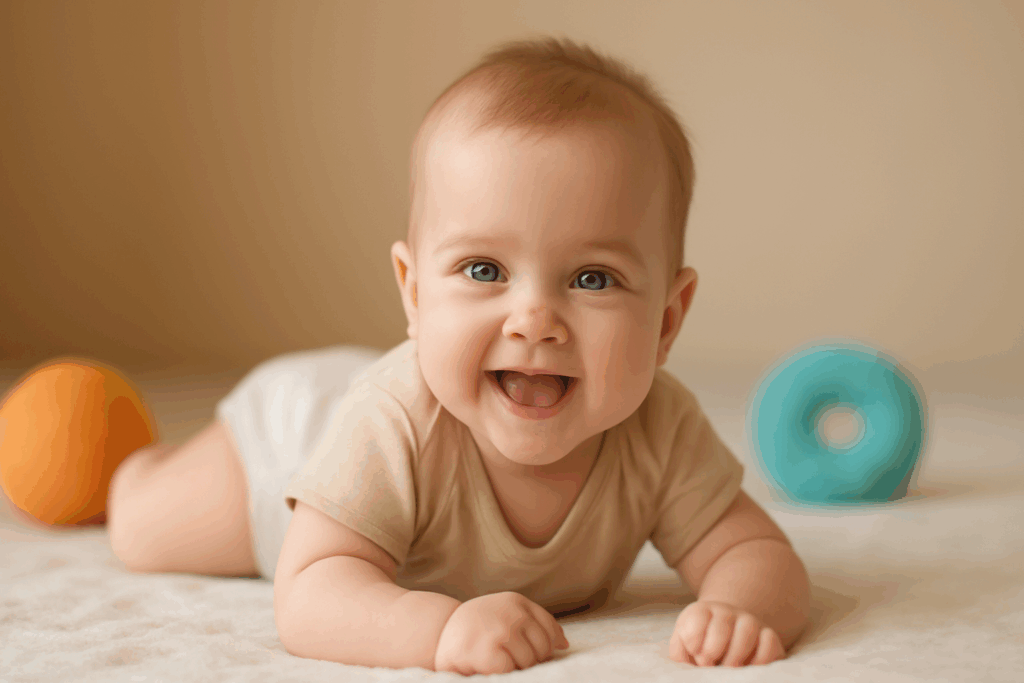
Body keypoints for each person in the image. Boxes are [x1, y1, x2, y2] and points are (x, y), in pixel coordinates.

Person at [102, 38, 810, 674]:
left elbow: (755, 553)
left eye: (592, 278)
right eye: (483, 269)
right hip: (292, 442)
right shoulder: (392, 422)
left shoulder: (660, 428)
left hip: (383, 388)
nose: (535, 319)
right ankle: (124, 452)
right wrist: (437, 627)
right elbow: (311, 592)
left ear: (666, 320)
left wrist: (741, 610)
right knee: (141, 526)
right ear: (414, 293)